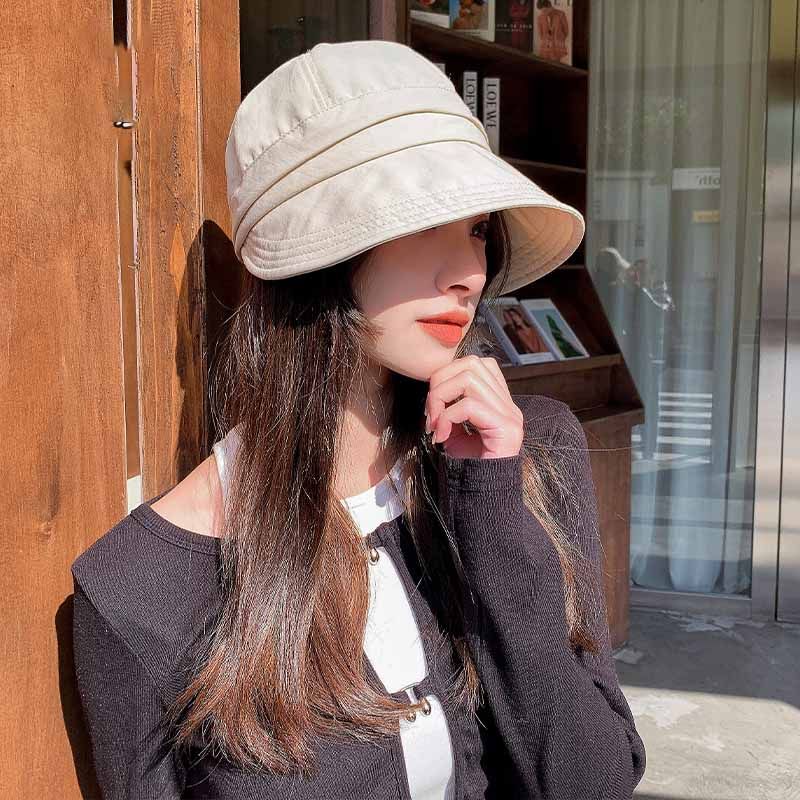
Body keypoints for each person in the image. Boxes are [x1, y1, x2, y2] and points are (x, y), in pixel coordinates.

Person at [71, 40, 646, 799]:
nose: (469, 272)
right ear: (318, 249)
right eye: (426, 219)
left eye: (478, 228)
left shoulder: (527, 453)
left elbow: (593, 782)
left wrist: (494, 519)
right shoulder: (139, 589)